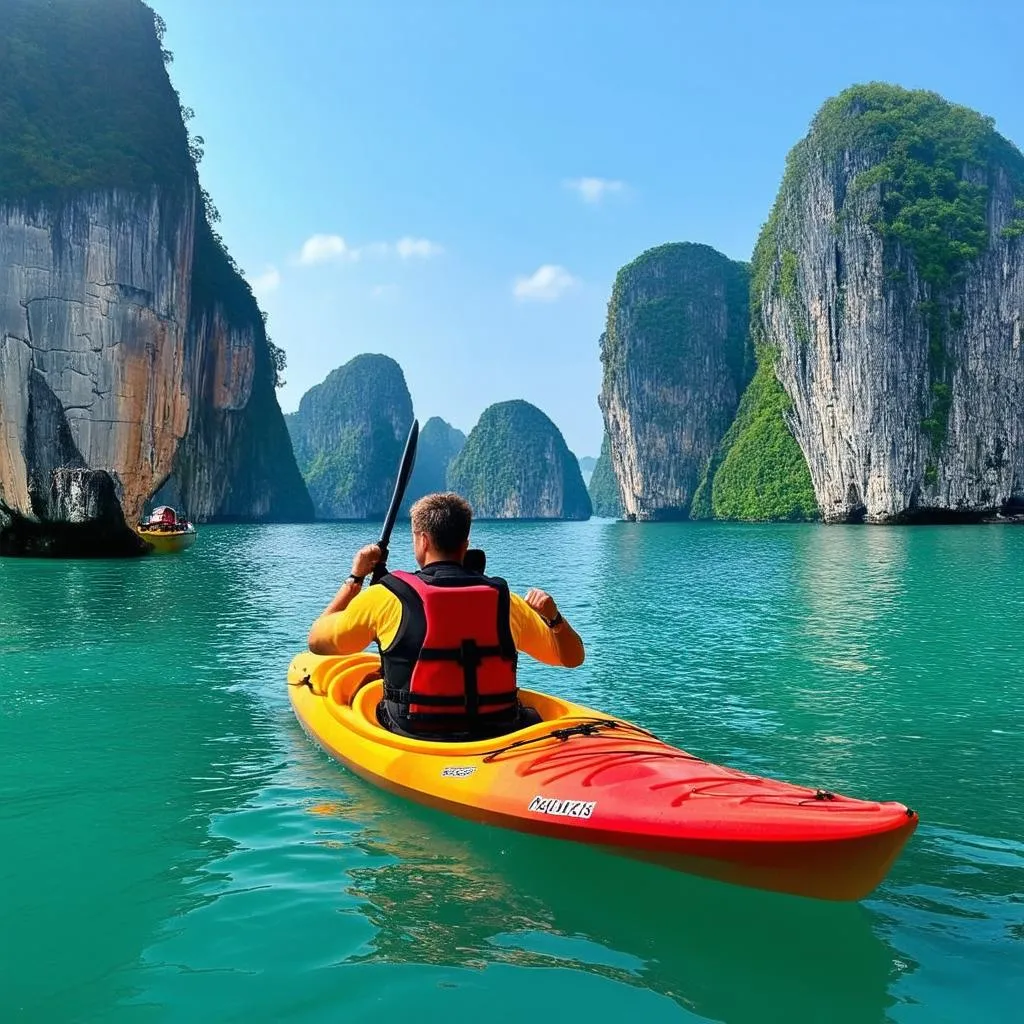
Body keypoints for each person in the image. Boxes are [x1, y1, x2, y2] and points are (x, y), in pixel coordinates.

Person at [307, 492, 585, 740]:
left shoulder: (385, 597)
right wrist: (554, 617)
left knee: (367, 686)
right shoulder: (506, 601)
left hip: (414, 732)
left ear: (423, 541)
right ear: (466, 543)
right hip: (498, 728)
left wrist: (355, 578)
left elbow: (317, 642)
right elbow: (572, 659)